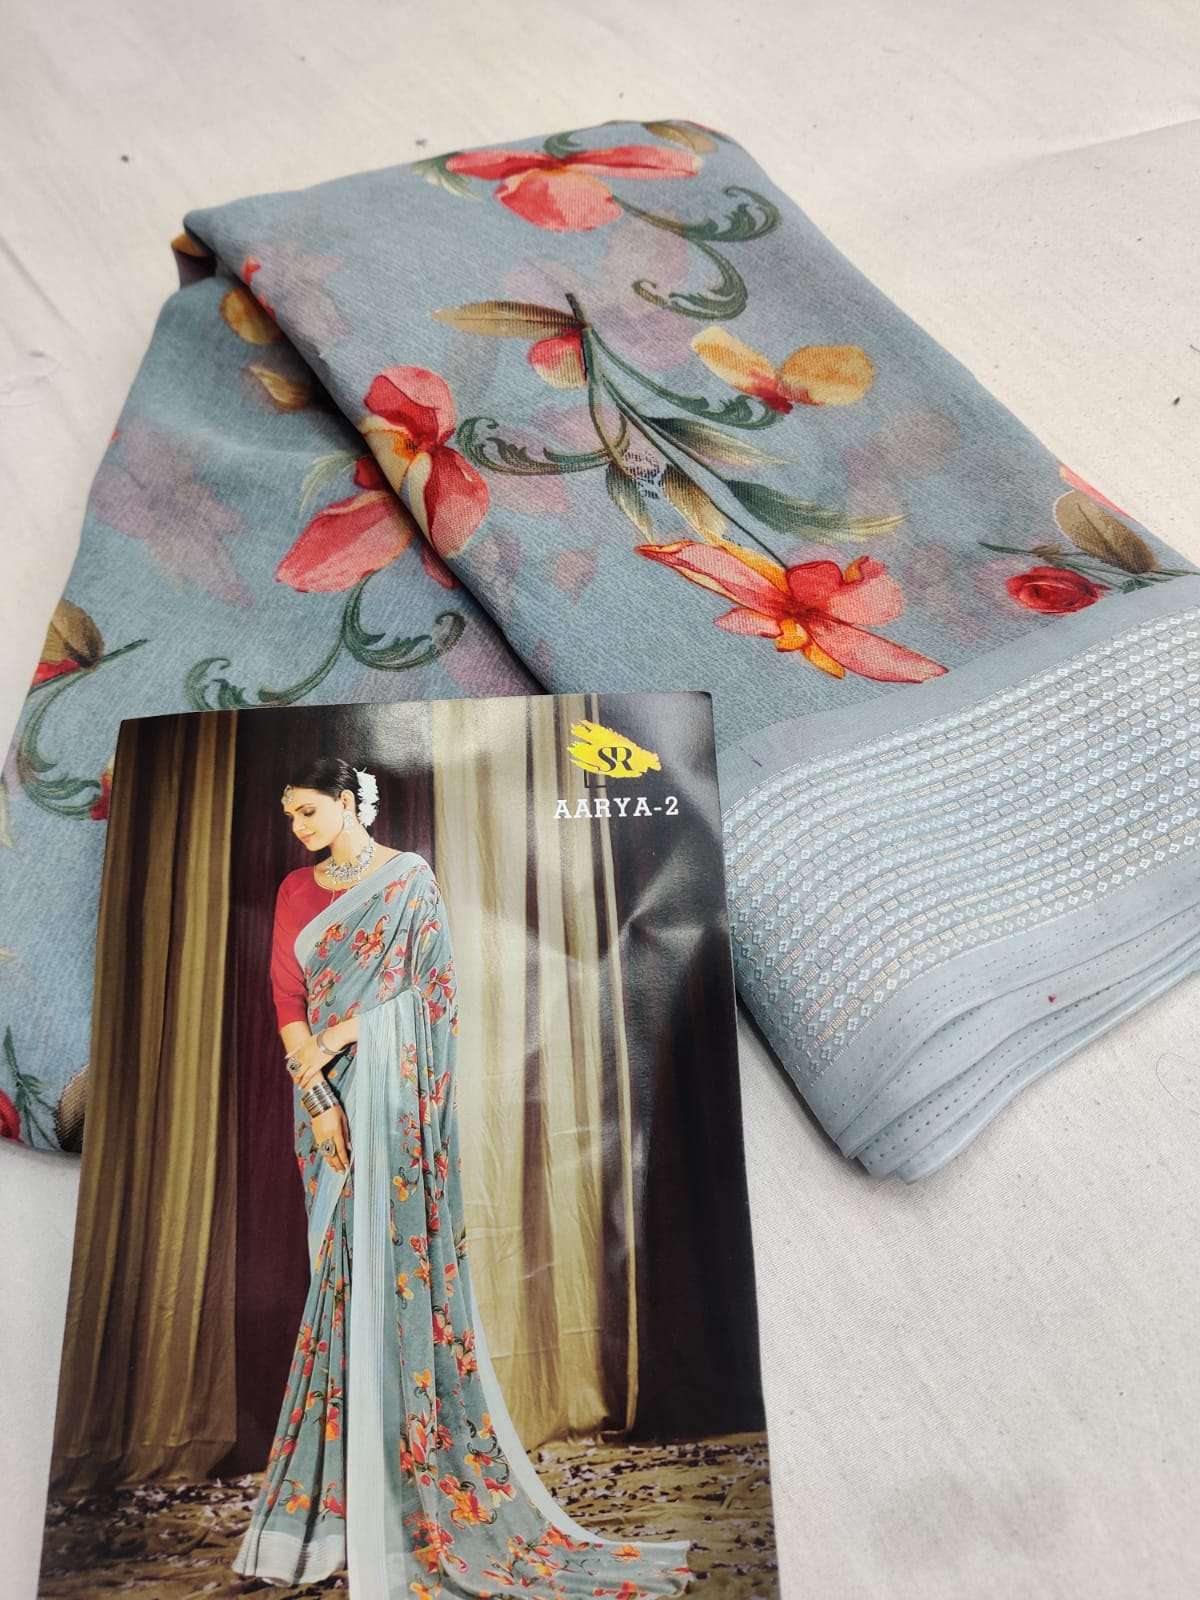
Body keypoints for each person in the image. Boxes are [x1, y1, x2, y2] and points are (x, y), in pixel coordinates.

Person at [232, 755, 695, 1596]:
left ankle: (402, 1495)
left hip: (395, 1105)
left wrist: (347, 1037)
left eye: (307, 813)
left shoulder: (409, 881)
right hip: (327, 1112)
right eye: (289, 817)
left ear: (347, 802)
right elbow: (287, 1002)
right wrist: (320, 1098)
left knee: (391, 1282)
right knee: (340, 1285)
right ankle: (336, 1509)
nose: (297, 830)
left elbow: (435, 998)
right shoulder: (297, 892)